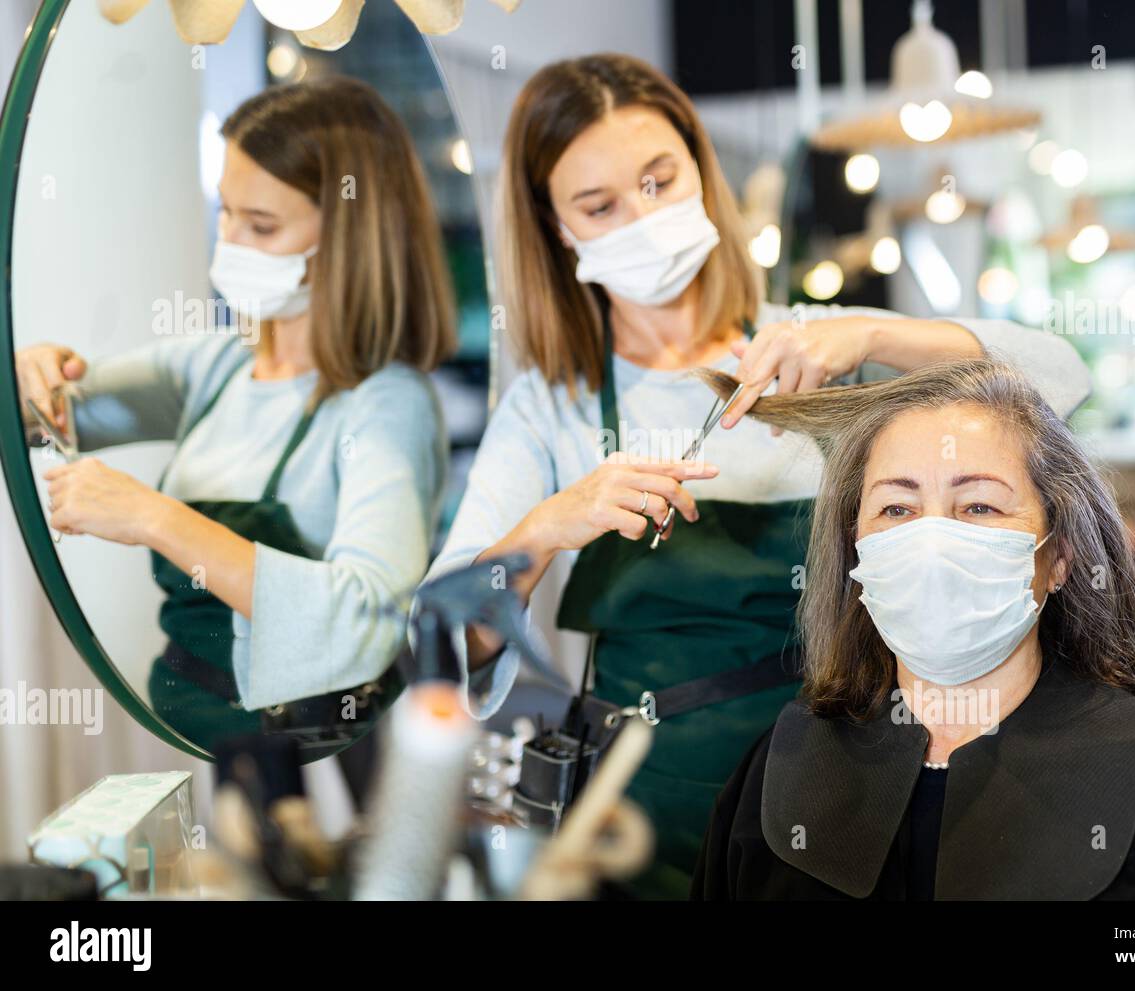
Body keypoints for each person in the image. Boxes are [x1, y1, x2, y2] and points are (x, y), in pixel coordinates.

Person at [419, 53, 1090, 899]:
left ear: (701, 175)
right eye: (600, 205)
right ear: (558, 228)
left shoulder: (816, 350)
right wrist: (551, 524)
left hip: (844, 778)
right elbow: (444, 643)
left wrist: (872, 331)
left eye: (661, 180)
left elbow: (1057, 377)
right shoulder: (549, 409)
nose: (643, 215)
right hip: (644, 804)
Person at [692, 358, 1135, 900]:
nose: (931, 542)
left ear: (1060, 557)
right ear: (855, 549)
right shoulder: (786, 763)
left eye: (979, 507)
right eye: (896, 509)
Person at [17, 78, 456, 752]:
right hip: (175, 722)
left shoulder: (386, 405)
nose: (231, 241)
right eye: (226, 213)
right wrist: (28, 375)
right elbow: (40, 418)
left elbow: (368, 619)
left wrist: (155, 517)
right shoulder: (213, 366)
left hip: (297, 758)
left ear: (348, 233)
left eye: (262, 226)